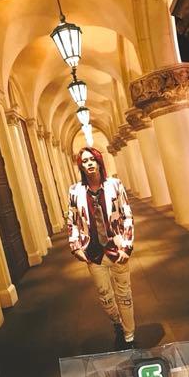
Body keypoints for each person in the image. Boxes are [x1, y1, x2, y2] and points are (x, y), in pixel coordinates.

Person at [67, 146, 135, 348]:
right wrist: (75, 246)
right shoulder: (75, 191)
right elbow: (72, 220)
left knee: (124, 295)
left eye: (92, 159)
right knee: (105, 297)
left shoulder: (115, 185)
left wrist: (127, 246)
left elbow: (127, 215)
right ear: (81, 166)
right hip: (93, 253)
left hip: (117, 250)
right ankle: (117, 323)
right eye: (84, 161)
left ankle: (129, 336)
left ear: (98, 162)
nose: (89, 163)